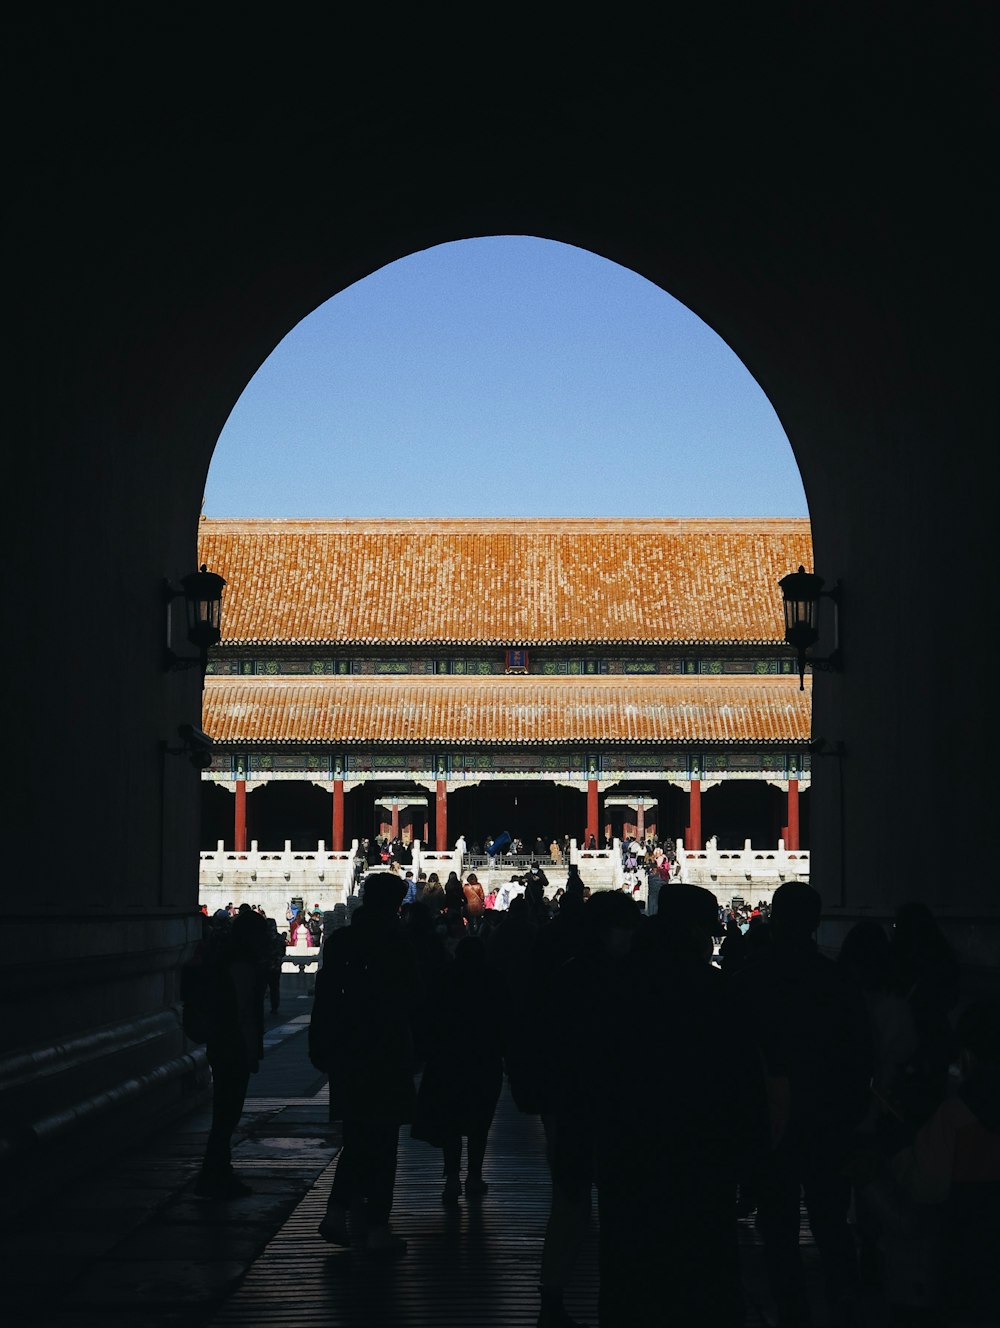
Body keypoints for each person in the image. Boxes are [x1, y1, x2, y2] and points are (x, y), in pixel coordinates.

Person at [732, 881, 873, 1327]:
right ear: (815, 924)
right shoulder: (838, 981)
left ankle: (792, 1311)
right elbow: (859, 1057)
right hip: (828, 1119)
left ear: (774, 917)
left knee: (778, 1228)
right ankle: (843, 1297)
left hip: (770, 1123)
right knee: (831, 1221)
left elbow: (735, 1061)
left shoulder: (748, 980)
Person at [308, 872, 418, 1256]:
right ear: (394, 905)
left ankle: (336, 1212)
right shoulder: (397, 943)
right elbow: (411, 999)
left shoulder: (341, 941)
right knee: (384, 1141)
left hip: (346, 1049)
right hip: (385, 1050)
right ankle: (376, 1226)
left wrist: (319, 1043)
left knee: (356, 1138)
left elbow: (325, 994)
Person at [411, 935, 505, 1204]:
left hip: (448, 1058)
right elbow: (505, 1018)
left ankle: (452, 1177)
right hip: (484, 1058)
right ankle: (474, 1176)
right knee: (480, 1122)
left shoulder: (444, 977)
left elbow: (427, 1016)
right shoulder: (493, 978)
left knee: (451, 1121)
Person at [189, 905, 270, 1199]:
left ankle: (218, 1171)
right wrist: (251, 1051)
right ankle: (214, 1174)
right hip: (232, 1046)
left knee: (225, 1114)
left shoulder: (228, 960)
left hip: (222, 1044)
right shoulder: (241, 966)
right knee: (227, 1115)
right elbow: (243, 1013)